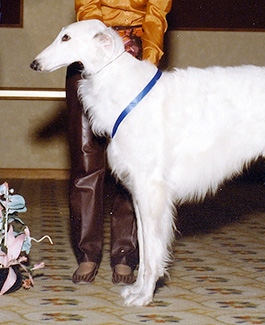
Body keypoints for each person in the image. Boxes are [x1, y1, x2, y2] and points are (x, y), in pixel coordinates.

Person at [66, 0, 172, 285]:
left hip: (137, 54)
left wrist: (145, 64)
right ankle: (87, 254)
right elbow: (86, 9)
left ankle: (124, 255)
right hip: (89, 51)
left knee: (133, 166)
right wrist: (107, 40)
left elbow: (156, 14)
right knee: (86, 159)